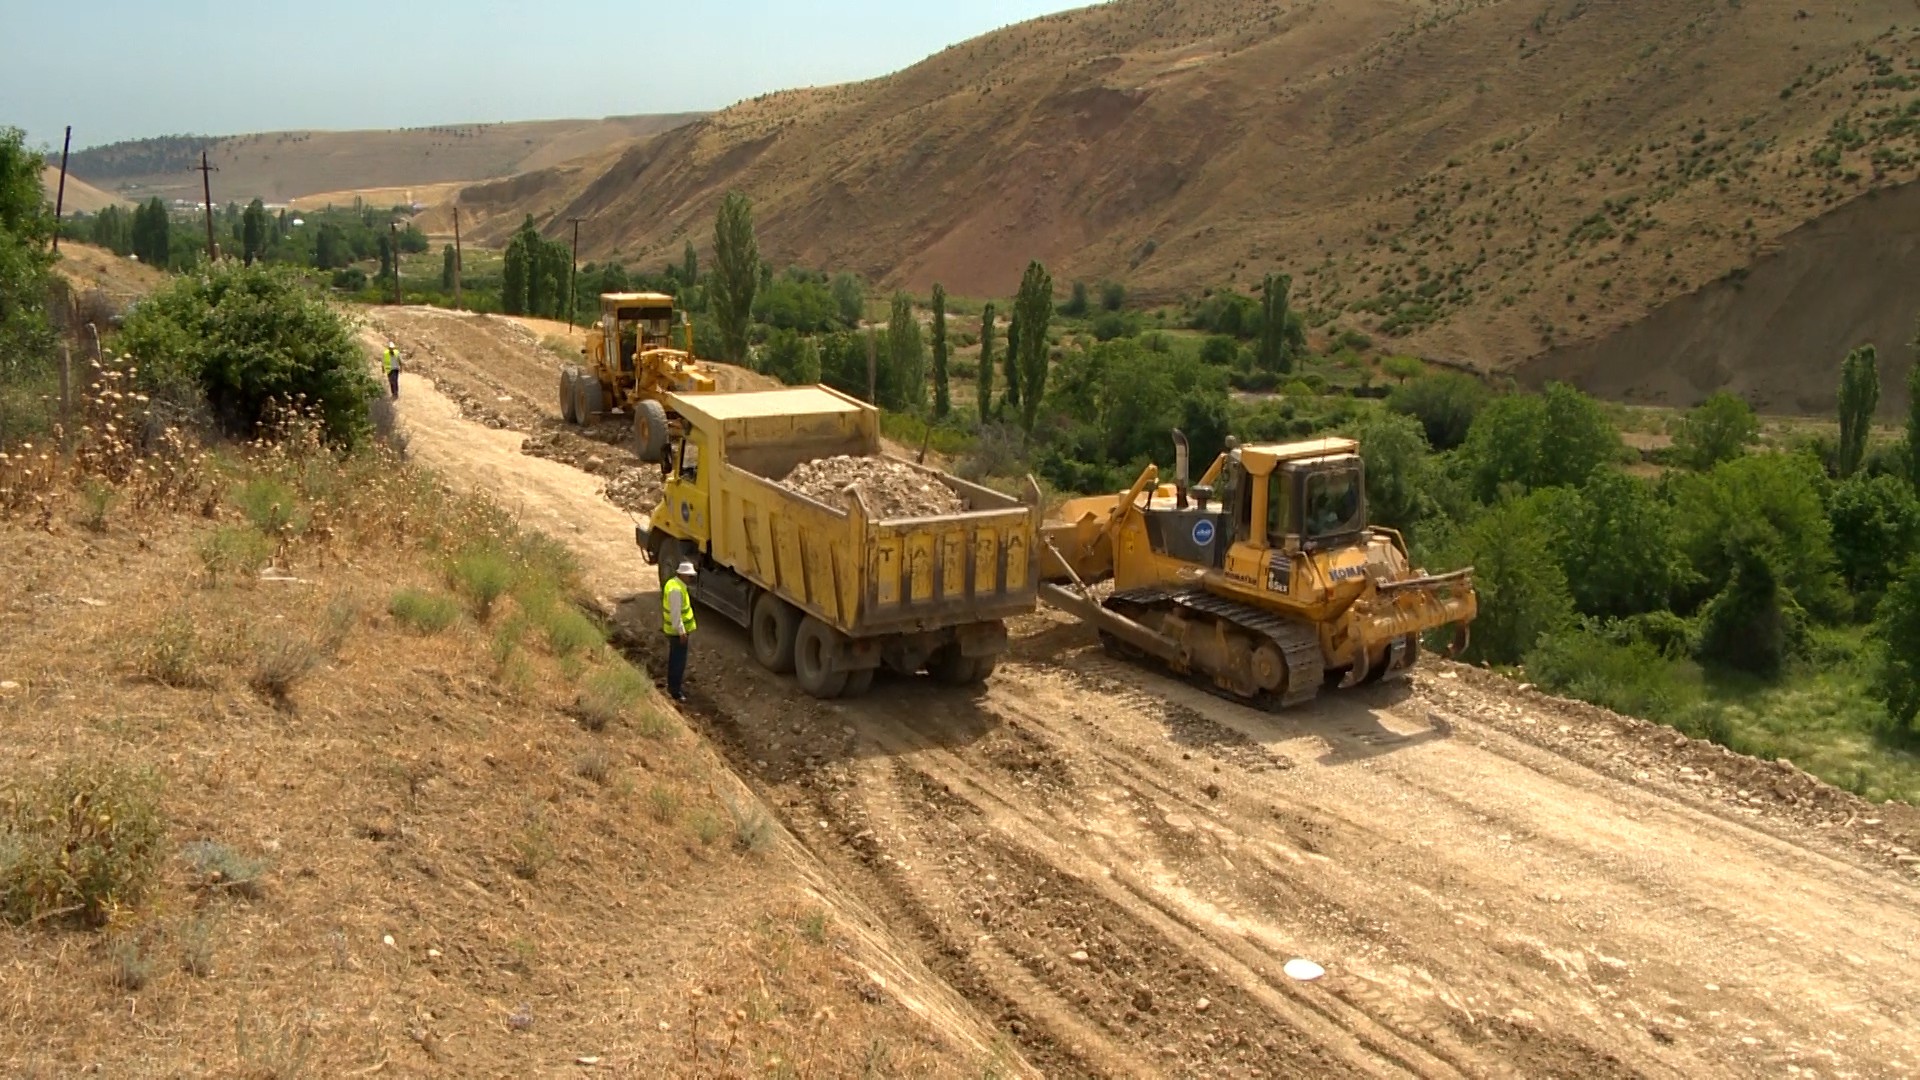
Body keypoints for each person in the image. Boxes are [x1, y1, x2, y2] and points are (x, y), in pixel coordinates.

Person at [661, 559, 698, 702]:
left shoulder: (674, 584)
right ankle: (675, 691)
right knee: (678, 662)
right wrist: (682, 631)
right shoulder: (676, 590)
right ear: (682, 575)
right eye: (689, 576)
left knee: (675, 659)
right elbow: (675, 613)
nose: (691, 578)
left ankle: (673, 687)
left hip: (675, 631)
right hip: (677, 633)